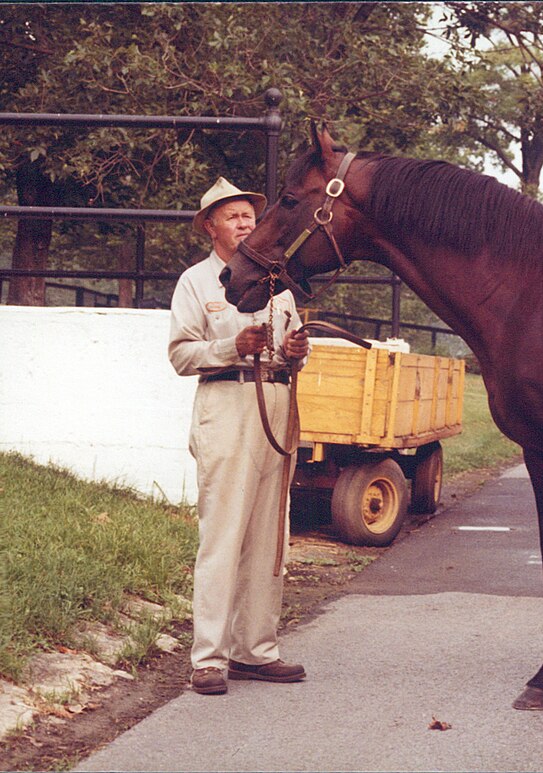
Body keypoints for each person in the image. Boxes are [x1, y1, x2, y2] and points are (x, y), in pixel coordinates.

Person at [168, 177, 310, 695]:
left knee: (270, 535)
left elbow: (291, 344)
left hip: (275, 405)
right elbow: (182, 355)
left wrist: (296, 352)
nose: (245, 222)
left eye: (250, 215)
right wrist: (232, 345)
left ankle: (257, 651)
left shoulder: (279, 281)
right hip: (227, 403)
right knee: (224, 533)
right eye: (232, 216)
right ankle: (209, 658)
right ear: (210, 226)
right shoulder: (196, 282)